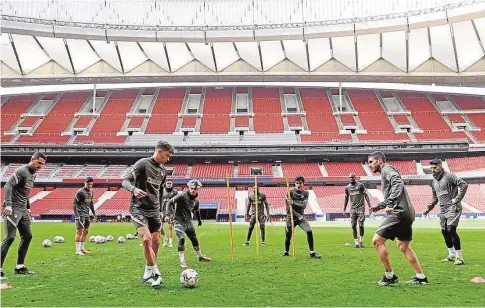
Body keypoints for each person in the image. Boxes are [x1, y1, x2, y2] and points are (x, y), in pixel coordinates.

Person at [368, 151, 428, 285]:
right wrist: (379, 206)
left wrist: (390, 204)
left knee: (377, 241)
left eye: (371, 162)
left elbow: (397, 184)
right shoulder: (388, 170)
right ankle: (421, 277)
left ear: (379, 161)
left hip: (399, 212)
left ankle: (389, 276)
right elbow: (394, 189)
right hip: (408, 213)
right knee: (403, 246)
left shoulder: (387, 170)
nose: (370, 165)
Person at [122, 141, 174, 288]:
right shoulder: (142, 164)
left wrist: (161, 210)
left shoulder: (163, 171)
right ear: (159, 151)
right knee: (146, 240)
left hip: (155, 210)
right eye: (167, 155)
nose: (168, 158)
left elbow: (161, 191)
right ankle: (157, 274)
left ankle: (148, 271)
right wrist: (134, 189)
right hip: (138, 208)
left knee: (156, 242)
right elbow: (125, 181)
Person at [1, 152, 46, 281]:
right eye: (38, 163)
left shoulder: (34, 175)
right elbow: (8, 185)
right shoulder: (21, 171)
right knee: (9, 238)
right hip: (13, 208)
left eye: (42, 164)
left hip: (23, 209)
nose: (40, 166)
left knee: (27, 236)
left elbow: (26, 193)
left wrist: (28, 207)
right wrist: (8, 205)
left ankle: (19, 267)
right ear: (32, 159)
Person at [424, 158, 468, 265]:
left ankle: (459, 257)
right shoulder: (433, 181)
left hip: (453, 207)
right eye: (432, 168)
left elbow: (464, 185)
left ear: (440, 166)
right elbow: (435, 197)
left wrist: (457, 199)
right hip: (443, 209)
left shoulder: (449, 176)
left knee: (451, 229)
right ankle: (451, 255)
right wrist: (428, 208)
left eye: (435, 167)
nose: (433, 169)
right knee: (444, 231)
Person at [167, 179, 211, 269]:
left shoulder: (196, 201)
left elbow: (197, 211)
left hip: (188, 222)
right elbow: (169, 202)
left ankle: (200, 256)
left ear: (198, 189)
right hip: (178, 221)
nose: (193, 190)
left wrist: (199, 220)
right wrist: (169, 215)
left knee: (194, 240)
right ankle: (182, 261)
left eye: (195, 188)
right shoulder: (181, 196)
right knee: (181, 239)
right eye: (191, 188)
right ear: (189, 188)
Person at [281, 176, 321, 259]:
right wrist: (297, 214)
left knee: (309, 231)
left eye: (300, 183)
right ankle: (286, 251)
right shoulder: (290, 192)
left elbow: (303, 206)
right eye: (297, 183)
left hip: (301, 218)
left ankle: (312, 252)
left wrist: (293, 203)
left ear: (303, 183)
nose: (299, 185)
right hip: (291, 217)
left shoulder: (306, 193)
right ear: (295, 183)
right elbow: (289, 209)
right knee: (288, 235)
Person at [343, 173, 371, 248]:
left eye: (352, 177)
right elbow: (346, 198)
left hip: (361, 208)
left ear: (355, 177)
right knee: (353, 225)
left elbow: (366, 195)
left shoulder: (360, 185)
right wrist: (344, 209)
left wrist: (370, 206)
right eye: (350, 177)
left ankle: (361, 240)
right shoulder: (347, 188)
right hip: (352, 209)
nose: (351, 179)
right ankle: (356, 242)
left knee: (361, 225)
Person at [73, 177, 96, 256]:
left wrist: (93, 213)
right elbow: (74, 204)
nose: (90, 186)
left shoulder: (91, 192)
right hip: (80, 214)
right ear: (85, 183)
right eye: (88, 184)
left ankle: (82, 248)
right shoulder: (80, 192)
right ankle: (77, 250)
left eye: (91, 184)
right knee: (79, 232)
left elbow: (91, 203)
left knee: (86, 231)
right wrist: (77, 215)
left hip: (87, 214)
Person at [160, 179, 178, 248]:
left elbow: (176, 202)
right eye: (168, 183)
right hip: (163, 211)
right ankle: (165, 238)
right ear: (166, 184)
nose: (169, 184)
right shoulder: (162, 191)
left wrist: (175, 212)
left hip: (171, 211)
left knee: (170, 227)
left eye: (170, 183)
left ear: (172, 184)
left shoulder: (175, 192)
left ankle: (170, 242)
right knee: (160, 227)